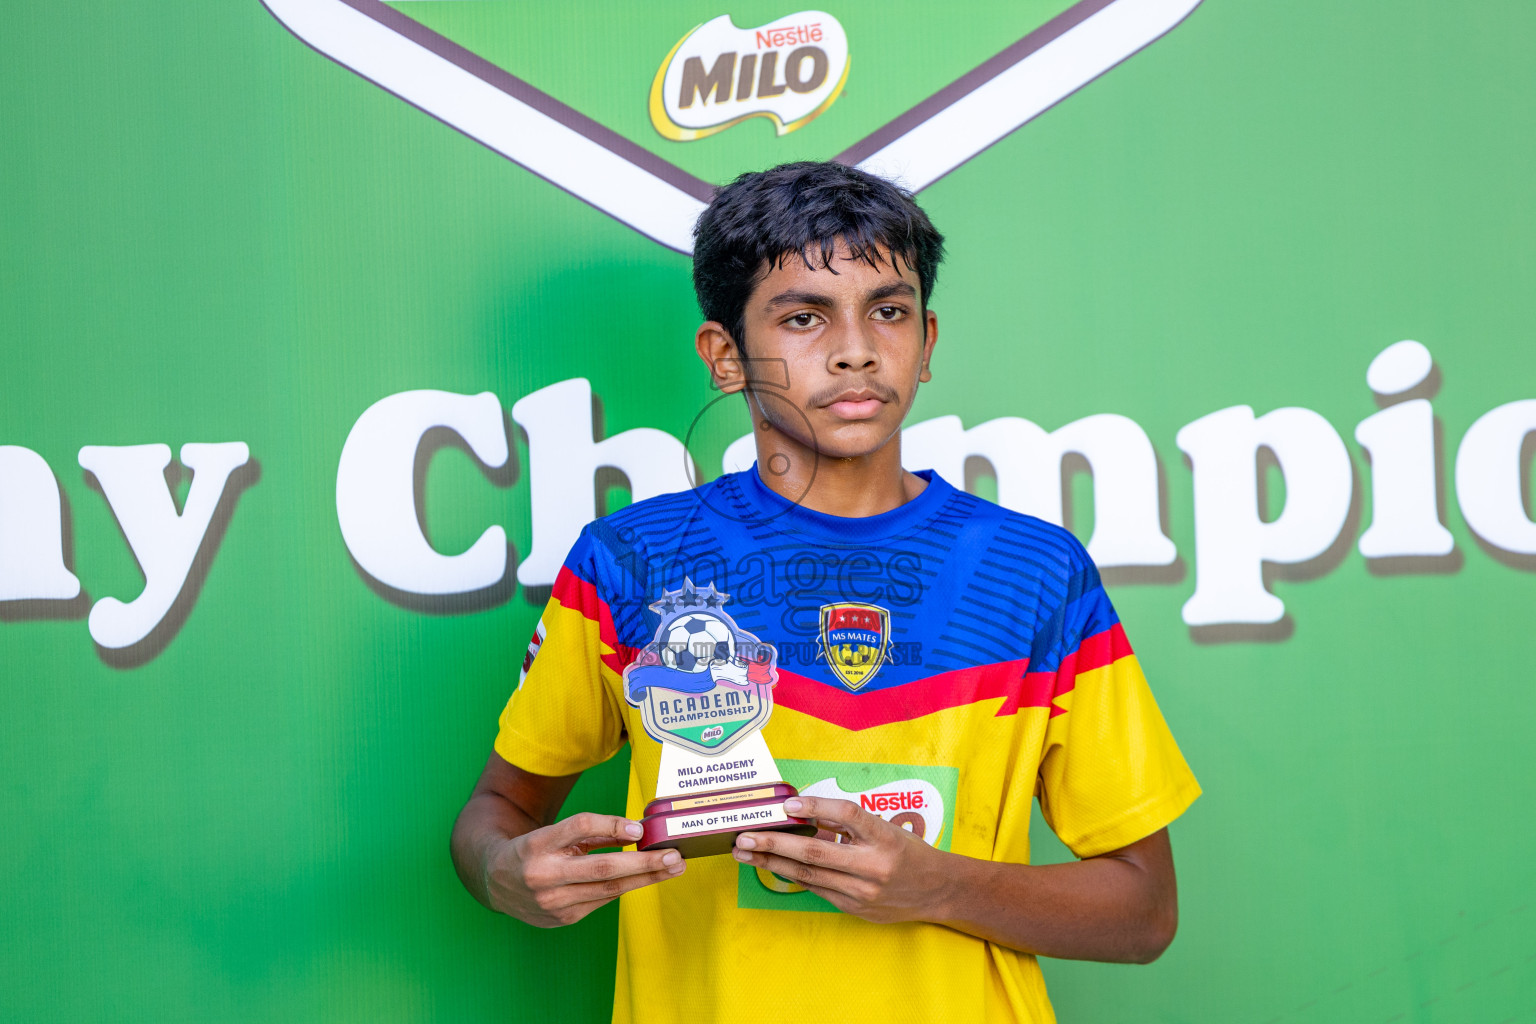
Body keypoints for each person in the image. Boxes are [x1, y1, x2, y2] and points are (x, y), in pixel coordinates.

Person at [451, 161, 1201, 1023]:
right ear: (725, 356)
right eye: (805, 316)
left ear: (926, 343)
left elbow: (1144, 913)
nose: (855, 347)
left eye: (888, 310)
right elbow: (496, 812)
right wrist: (504, 875)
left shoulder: (1035, 572)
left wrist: (935, 887)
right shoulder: (632, 561)